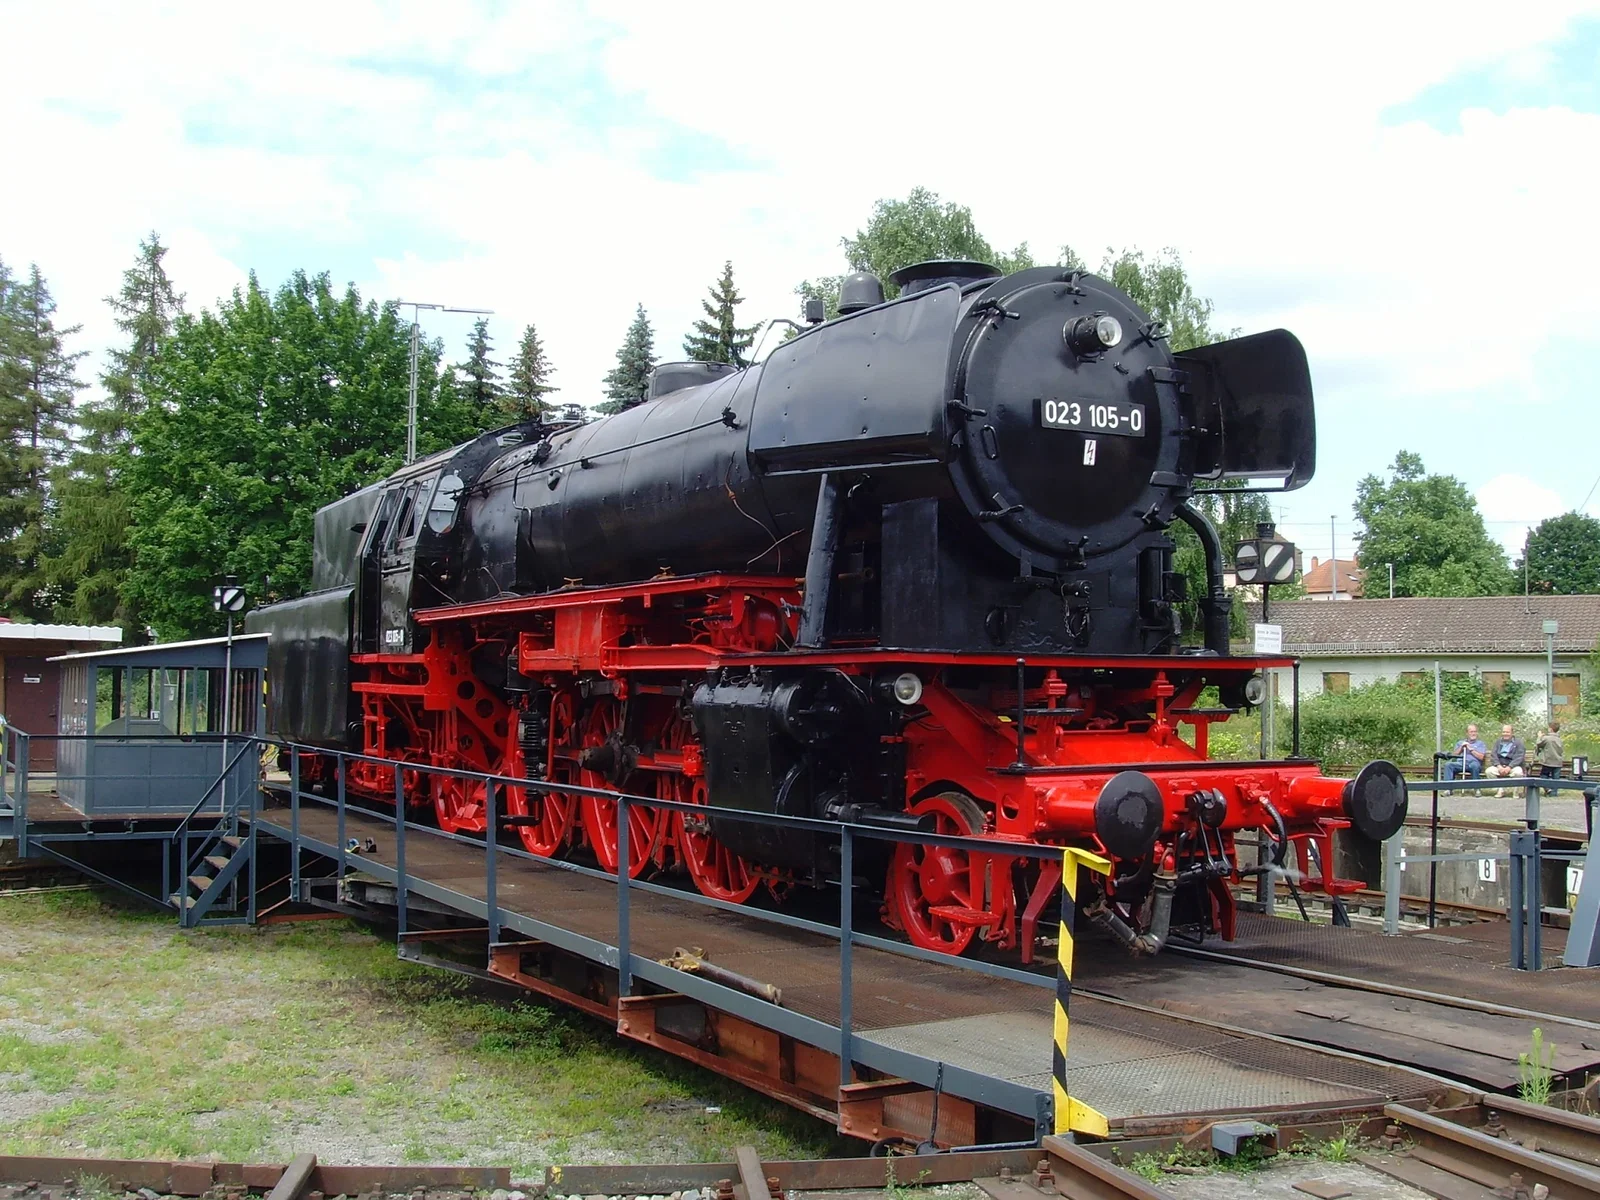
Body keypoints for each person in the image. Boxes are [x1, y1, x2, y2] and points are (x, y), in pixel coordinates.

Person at [1484, 723, 1526, 797]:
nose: (1505, 734)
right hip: (1500, 766)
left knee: (1518, 773)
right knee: (1489, 771)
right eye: (1504, 732)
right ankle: (1500, 790)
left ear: (1512, 733)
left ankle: (1516, 792)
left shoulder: (1519, 742)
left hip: (1513, 766)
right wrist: (1498, 766)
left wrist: (1509, 767)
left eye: (1507, 732)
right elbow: (1493, 755)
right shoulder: (1498, 742)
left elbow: (1519, 757)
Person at [1535, 720, 1564, 796]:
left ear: (1550, 729)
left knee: (1543, 776)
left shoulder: (1546, 738)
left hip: (1548, 761)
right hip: (1558, 762)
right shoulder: (1560, 739)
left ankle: (1548, 789)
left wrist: (1539, 736)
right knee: (1556, 778)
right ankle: (1554, 792)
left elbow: (1539, 744)